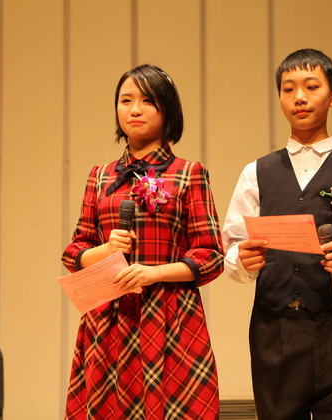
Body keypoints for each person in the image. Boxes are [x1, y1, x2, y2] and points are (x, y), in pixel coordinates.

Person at [222, 48, 332, 420]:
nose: (299, 97)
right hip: (275, 329)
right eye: (288, 89)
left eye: (311, 86)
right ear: (280, 99)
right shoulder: (256, 173)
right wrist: (243, 260)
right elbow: (233, 246)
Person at [62, 64, 224, 419]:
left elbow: (211, 256)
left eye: (147, 101)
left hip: (171, 317)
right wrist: (106, 251)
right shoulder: (100, 176)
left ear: (168, 110)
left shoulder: (189, 173)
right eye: (126, 100)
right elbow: (74, 252)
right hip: (108, 319)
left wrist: (154, 273)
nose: (135, 110)